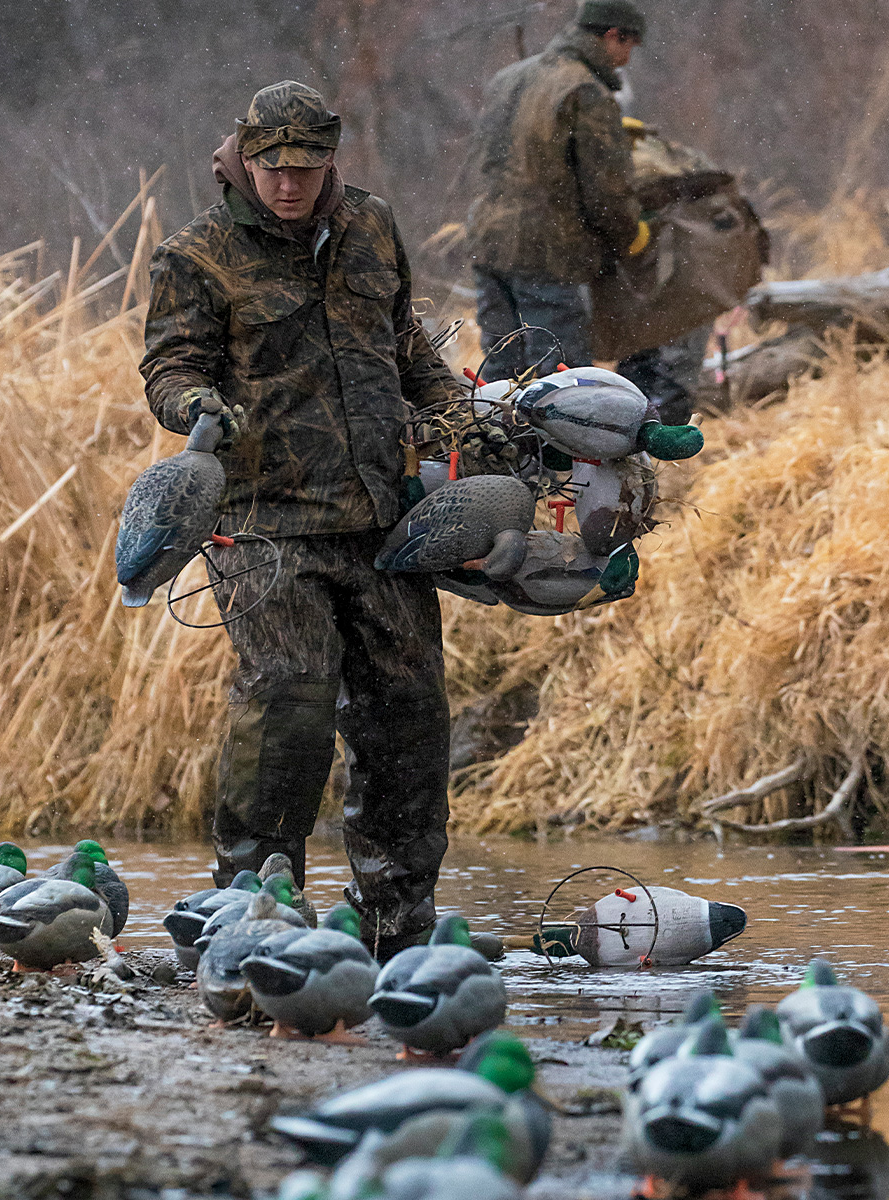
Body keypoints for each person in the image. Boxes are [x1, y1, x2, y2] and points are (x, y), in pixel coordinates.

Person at [138, 81, 465, 961]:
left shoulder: (373, 225)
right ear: (245, 157)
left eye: (308, 167)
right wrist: (195, 401)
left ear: (332, 161)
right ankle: (254, 916)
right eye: (273, 167)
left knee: (409, 715)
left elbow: (407, 350)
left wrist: (457, 414)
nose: (289, 184)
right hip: (263, 523)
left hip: (380, 522)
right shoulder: (195, 255)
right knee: (289, 705)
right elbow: (168, 367)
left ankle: (399, 929)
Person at [467, 0, 648, 381]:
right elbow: (608, 193)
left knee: (499, 382)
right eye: (628, 47)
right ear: (613, 35)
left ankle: (497, 443)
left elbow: (488, 166)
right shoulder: (585, 91)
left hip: (489, 246)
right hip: (548, 257)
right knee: (564, 388)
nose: (626, 60)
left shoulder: (507, 79)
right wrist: (628, 236)